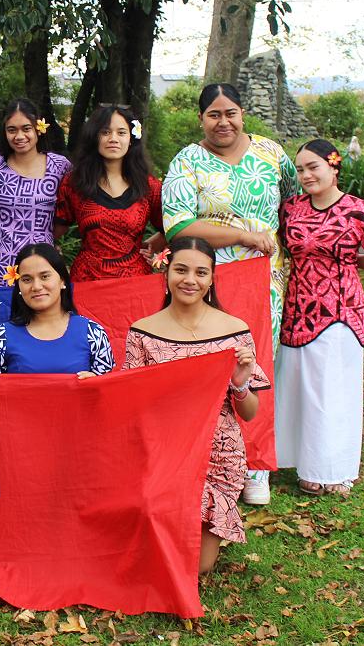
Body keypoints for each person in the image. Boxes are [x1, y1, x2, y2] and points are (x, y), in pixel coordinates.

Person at [161, 83, 298, 505]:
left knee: (257, 364)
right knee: (206, 361)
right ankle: (206, 460)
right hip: (207, 281)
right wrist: (242, 236)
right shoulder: (188, 161)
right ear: (201, 119)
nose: (224, 122)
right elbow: (178, 226)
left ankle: (256, 466)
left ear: (242, 114)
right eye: (214, 114)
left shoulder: (272, 154)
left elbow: (293, 204)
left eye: (231, 113)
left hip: (265, 282)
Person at [123, 236, 268, 574]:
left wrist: (240, 382)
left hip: (216, 453)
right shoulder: (142, 332)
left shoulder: (234, 331)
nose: (190, 280)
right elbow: (129, 403)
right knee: (159, 558)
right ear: (166, 272)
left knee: (197, 566)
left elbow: (249, 413)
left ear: (212, 278)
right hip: (161, 452)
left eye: (201, 272)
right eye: (181, 270)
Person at [275, 139, 364, 496]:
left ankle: (332, 469)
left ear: (334, 166)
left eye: (313, 167)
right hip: (297, 308)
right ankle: (299, 459)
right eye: (300, 169)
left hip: (340, 311)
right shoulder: (291, 208)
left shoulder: (357, 210)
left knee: (331, 391)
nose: (306, 175)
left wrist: (349, 261)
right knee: (296, 385)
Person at [55, 105, 165, 282]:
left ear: (131, 138)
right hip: (87, 281)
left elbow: (172, 229)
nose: (113, 139)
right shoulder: (74, 183)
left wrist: (150, 248)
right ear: (94, 137)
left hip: (135, 283)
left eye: (121, 132)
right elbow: (53, 230)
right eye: (105, 132)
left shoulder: (149, 186)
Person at [0, 243, 114, 377]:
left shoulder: (93, 333)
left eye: (44, 276)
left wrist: (97, 382)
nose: (36, 286)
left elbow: (111, 386)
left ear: (62, 281)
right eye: (26, 279)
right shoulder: (1, 336)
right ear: (18, 286)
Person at [0, 99, 72, 286]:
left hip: (42, 263)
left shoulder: (59, 166)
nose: (19, 136)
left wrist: (49, 239)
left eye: (26, 129)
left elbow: (72, 210)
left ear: (38, 128)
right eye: (12, 130)